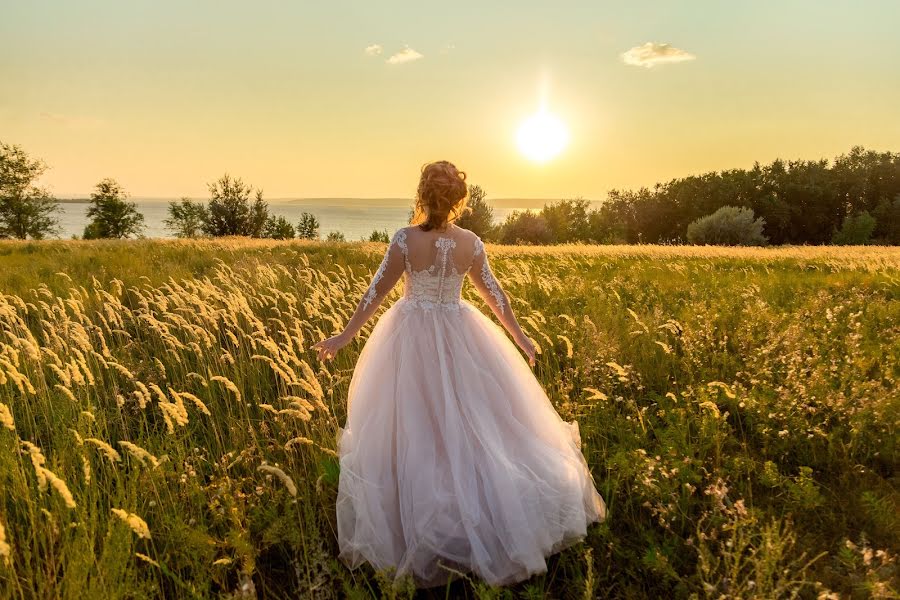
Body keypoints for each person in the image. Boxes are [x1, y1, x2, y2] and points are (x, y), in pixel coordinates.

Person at [312, 160, 606, 588]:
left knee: (417, 426)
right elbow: (496, 298)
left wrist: (344, 336)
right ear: (458, 200)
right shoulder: (471, 243)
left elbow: (375, 292)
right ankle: (481, 517)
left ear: (422, 195)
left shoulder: (405, 240)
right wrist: (521, 340)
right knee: (474, 425)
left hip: (409, 336)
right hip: (460, 332)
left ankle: (426, 523)